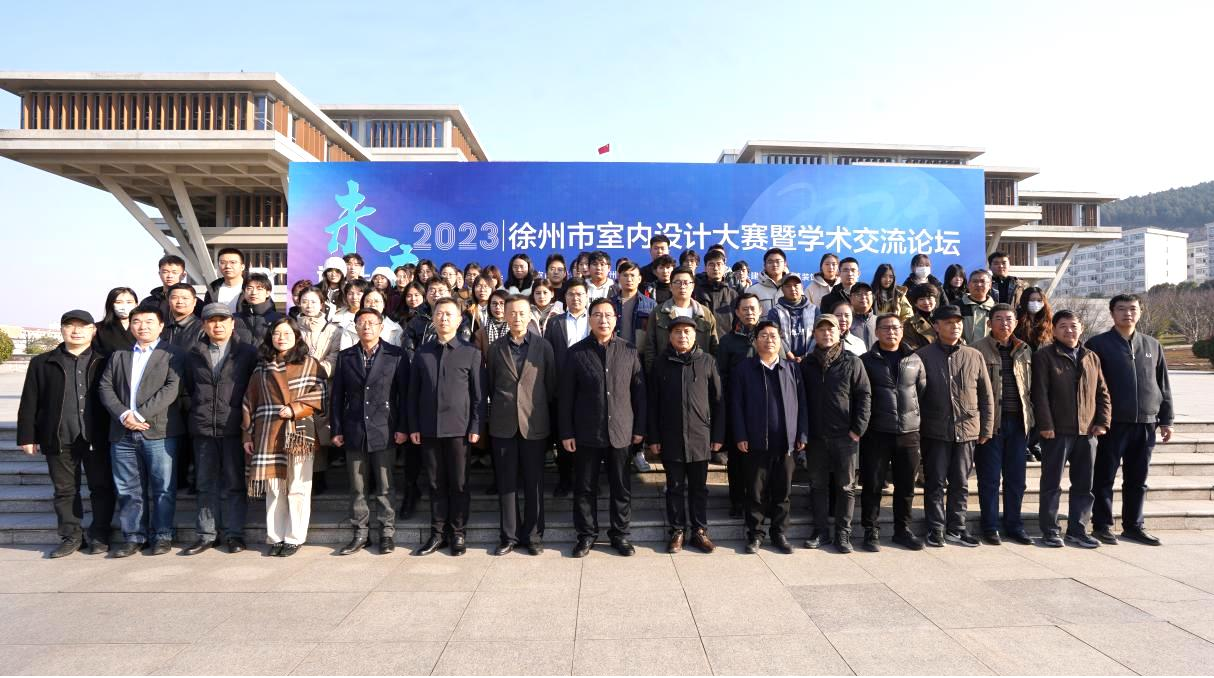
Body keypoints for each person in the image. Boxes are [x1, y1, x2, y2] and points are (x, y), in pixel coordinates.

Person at [18, 310, 116, 558]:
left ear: (93, 330)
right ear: (61, 330)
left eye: (82, 326)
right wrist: (27, 436)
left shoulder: (106, 360)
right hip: (59, 436)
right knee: (64, 490)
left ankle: (100, 534)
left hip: (97, 436)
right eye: (70, 326)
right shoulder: (42, 362)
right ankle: (71, 536)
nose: (76, 331)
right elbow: (30, 400)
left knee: (102, 487)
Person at [1085, 294, 1174, 546]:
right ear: (1112, 313)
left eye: (1133, 309)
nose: (1128, 314)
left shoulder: (1152, 345)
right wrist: (1096, 419)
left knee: (1138, 479)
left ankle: (1134, 526)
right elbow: (1090, 386)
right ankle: (1101, 525)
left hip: (1146, 422)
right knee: (1104, 477)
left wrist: (1166, 419)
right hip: (1111, 424)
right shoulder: (1098, 344)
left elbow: (1163, 384)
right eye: (1121, 309)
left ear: (1140, 312)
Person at [561, 298, 647, 558]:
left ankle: (619, 534)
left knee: (621, 487)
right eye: (597, 315)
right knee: (584, 487)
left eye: (608, 315)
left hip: (621, 430)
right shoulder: (576, 353)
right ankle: (586, 535)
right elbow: (566, 397)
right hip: (587, 431)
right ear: (590, 319)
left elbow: (639, 394)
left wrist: (640, 428)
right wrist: (566, 432)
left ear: (616, 319)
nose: (603, 320)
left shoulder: (629, 350)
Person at [98, 305, 186, 558]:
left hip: (159, 431)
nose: (143, 326)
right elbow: (105, 387)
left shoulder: (173, 353)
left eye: (149, 321)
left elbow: (172, 388)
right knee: (128, 488)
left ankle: (162, 535)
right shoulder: (119, 355)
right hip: (122, 432)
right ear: (130, 325)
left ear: (161, 326)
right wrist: (124, 414)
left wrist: (139, 415)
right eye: (137, 321)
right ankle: (133, 536)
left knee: (163, 488)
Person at [243, 318, 328, 557]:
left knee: (298, 486)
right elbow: (249, 402)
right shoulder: (261, 368)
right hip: (267, 432)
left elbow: (322, 393)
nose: (281, 338)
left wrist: (295, 409)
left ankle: (294, 537)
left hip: (299, 432)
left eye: (287, 333)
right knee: (274, 487)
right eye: (277, 333)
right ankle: (276, 536)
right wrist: (247, 434)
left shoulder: (309, 363)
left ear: (297, 336)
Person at [408, 299, 486, 557]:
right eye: (439, 314)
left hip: (460, 430)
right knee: (435, 482)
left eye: (449, 314)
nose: (443, 318)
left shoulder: (471, 352)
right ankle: (438, 533)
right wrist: (414, 425)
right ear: (433, 318)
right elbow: (413, 394)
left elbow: (478, 395)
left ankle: (458, 532)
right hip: (429, 428)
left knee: (459, 483)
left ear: (459, 320)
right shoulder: (422, 353)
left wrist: (476, 425)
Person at [329, 309, 409, 556]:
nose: (367, 327)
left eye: (372, 323)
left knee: (385, 485)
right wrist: (337, 428)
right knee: (358, 486)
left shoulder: (395, 355)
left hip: (384, 427)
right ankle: (360, 533)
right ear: (355, 327)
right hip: (354, 428)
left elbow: (404, 395)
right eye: (362, 322)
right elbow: (337, 396)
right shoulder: (346, 357)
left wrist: (403, 427)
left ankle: (386, 532)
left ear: (381, 327)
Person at [181, 304, 258, 555]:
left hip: (234, 427)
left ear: (232, 323)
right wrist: (197, 410)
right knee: (205, 484)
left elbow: (253, 389)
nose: (217, 325)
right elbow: (187, 388)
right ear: (204, 325)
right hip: (203, 428)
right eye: (212, 321)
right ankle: (206, 535)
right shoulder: (193, 353)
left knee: (234, 483)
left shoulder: (247, 352)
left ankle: (235, 535)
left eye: (222, 320)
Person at [916, 305, 994, 548]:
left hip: (966, 429)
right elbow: (915, 396)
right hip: (934, 429)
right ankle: (935, 529)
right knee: (935, 482)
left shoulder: (974, 355)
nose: (955, 326)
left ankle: (957, 528)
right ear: (936, 326)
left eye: (958, 322)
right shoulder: (922, 356)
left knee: (960, 483)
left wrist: (986, 428)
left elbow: (986, 395)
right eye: (949, 322)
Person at [1033, 310, 1111, 548]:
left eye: (1073, 326)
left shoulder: (1091, 357)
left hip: (1087, 432)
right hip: (1056, 432)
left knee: (1084, 485)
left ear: (1081, 328)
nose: (1069, 330)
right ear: (1054, 330)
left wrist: (1103, 422)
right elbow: (1039, 393)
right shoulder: (1044, 356)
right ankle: (1050, 530)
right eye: (1063, 326)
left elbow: (1102, 392)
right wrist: (1046, 425)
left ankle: (1078, 530)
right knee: (1051, 484)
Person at [648, 316, 724, 554]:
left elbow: (718, 401)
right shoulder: (660, 363)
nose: (682, 336)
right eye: (677, 332)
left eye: (687, 332)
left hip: (700, 436)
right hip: (670, 436)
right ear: (670, 336)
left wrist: (718, 435)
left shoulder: (707, 361)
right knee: (674, 487)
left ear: (695, 335)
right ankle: (677, 531)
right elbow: (652, 403)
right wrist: (654, 438)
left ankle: (700, 531)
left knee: (699, 488)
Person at [486, 296, 556, 556]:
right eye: (512, 313)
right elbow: (491, 384)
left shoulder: (543, 346)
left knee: (534, 482)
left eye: (522, 313)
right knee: (506, 483)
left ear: (530, 316)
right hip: (503, 424)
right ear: (505, 315)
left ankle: (534, 536)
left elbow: (551, 386)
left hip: (534, 423)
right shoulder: (495, 348)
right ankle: (509, 536)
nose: (517, 317)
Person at [731, 320, 808, 555]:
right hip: (755, 442)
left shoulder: (791, 368)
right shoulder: (744, 369)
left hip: (786, 442)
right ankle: (755, 534)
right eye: (763, 335)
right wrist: (740, 434)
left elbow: (802, 404)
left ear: (781, 340)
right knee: (756, 492)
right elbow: (736, 405)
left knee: (782, 491)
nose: (769, 340)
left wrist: (802, 433)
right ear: (755, 341)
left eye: (773, 335)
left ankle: (779, 533)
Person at [801, 314, 871, 553]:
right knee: (817, 485)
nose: (826, 333)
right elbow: (800, 400)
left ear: (839, 332)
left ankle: (843, 534)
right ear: (814, 334)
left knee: (845, 487)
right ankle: (820, 531)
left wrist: (857, 429)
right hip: (816, 437)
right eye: (821, 329)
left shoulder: (852, 361)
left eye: (830, 329)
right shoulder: (807, 364)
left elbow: (864, 396)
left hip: (845, 436)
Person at [859, 314, 926, 551]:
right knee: (873, 484)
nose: (891, 332)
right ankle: (871, 530)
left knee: (906, 486)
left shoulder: (914, 359)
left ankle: (902, 530)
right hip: (877, 432)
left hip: (909, 432)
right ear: (876, 332)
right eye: (886, 328)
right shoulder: (865, 361)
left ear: (902, 330)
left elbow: (921, 391)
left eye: (896, 327)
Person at [972, 304, 1034, 545]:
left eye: (1009, 319)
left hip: (1019, 423)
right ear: (989, 323)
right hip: (991, 424)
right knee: (989, 479)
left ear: (1016, 323)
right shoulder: (977, 349)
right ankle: (990, 526)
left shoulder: (1025, 349)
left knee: (1016, 479)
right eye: (998, 319)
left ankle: (1014, 525)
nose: (1004, 323)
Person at [294, 287, 343, 495]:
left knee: (320, 432)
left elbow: (335, 356)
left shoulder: (334, 330)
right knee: (300, 431)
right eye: (305, 301)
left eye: (313, 301)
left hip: (323, 385)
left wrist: (315, 371)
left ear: (322, 304)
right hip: (296, 387)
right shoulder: (292, 327)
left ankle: (320, 476)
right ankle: (301, 477)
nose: (309, 306)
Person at [717, 293, 762, 512]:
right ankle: (737, 501)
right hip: (737, 407)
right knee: (737, 458)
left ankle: (760, 500)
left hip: (763, 408)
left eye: (753, 308)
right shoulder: (728, 341)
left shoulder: (769, 335)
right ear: (737, 312)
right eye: (745, 309)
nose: (749, 312)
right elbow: (721, 375)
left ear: (760, 311)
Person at [544, 280, 590, 496]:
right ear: (565, 297)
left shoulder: (595, 319)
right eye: (571, 294)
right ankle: (564, 481)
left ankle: (587, 482)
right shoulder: (555, 323)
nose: (575, 298)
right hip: (562, 388)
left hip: (590, 389)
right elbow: (548, 356)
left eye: (580, 294)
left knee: (588, 439)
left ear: (587, 296)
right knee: (564, 435)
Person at [643, 267, 718, 372]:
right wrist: (652, 373)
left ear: (693, 286)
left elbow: (714, 347)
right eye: (677, 282)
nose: (682, 286)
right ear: (670, 286)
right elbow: (650, 347)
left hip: (699, 373)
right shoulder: (658, 312)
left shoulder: (705, 313)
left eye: (686, 283)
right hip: (666, 372)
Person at [768, 273, 816, 361]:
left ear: (802, 287)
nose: (792, 289)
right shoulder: (775, 311)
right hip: (784, 360)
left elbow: (817, 335)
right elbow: (775, 335)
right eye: (788, 286)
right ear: (782, 289)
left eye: (796, 285)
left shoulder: (814, 309)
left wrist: (806, 355)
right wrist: (789, 354)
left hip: (810, 359)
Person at [694, 248, 738, 339]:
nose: (716, 268)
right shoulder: (696, 291)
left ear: (724, 267)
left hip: (727, 343)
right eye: (711, 264)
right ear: (705, 268)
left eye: (719, 264)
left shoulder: (733, 294)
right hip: (702, 342)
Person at [611, 261, 655, 352]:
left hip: (640, 355)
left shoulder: (651, 304)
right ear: (618, 278)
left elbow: (654, 335)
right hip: (614, 353)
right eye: (625, 275)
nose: (629, 279)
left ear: (639, 279)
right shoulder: (610, 303)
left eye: (632, 275)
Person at [234, 273, 284, 345]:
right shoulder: (233, 319)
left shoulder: (279, 319)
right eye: (249, 288)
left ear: (268, 293)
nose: (254, 293)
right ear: (244, 292)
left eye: (259, 289)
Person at [93, 287, 139, 357]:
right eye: (118, 302)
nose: (124, 306)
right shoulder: (98, 328)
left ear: (136, 304)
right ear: (110, 304)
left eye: (129, 302)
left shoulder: (144, 327)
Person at [161, 283, 203, 350]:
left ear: (194, 302)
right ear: (168, 301)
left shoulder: (203, 328)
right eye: (174, 297)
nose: (180, 302)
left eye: (185, 298)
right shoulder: (160, 326)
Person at [750, 248, 792, 313]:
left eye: (778, 261)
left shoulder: (793, 288)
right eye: (770, 262)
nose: (774, 265)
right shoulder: (753, 290)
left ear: (785, 264)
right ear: (765, 266)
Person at [960, 269, 996, 346]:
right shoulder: (956, 306)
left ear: (990, 285)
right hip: (962, 351)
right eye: (975, 281)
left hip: (989, 351)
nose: (979, 284)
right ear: (968, 285)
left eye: (982, 281)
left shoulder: (996, 309)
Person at [147, 255, 188, 319]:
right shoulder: (148, 302)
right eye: (165, 272)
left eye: (174, 272)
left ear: (183, 275)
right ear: (159, 274)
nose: (170, 276)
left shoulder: (192, 302)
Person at [902, 283, 940, 350]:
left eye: (929, 298)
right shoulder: (909, 324)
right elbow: (910, 347)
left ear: (935, 301)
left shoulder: (945, 319)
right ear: (915, 303)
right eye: (921, 299)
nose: (926, 302)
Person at [848, 283, 878, 349]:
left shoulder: (879, 321)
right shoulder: (846, 321)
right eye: (859, 294)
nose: (863, 297)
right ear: (850, 298)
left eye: (867, 294)